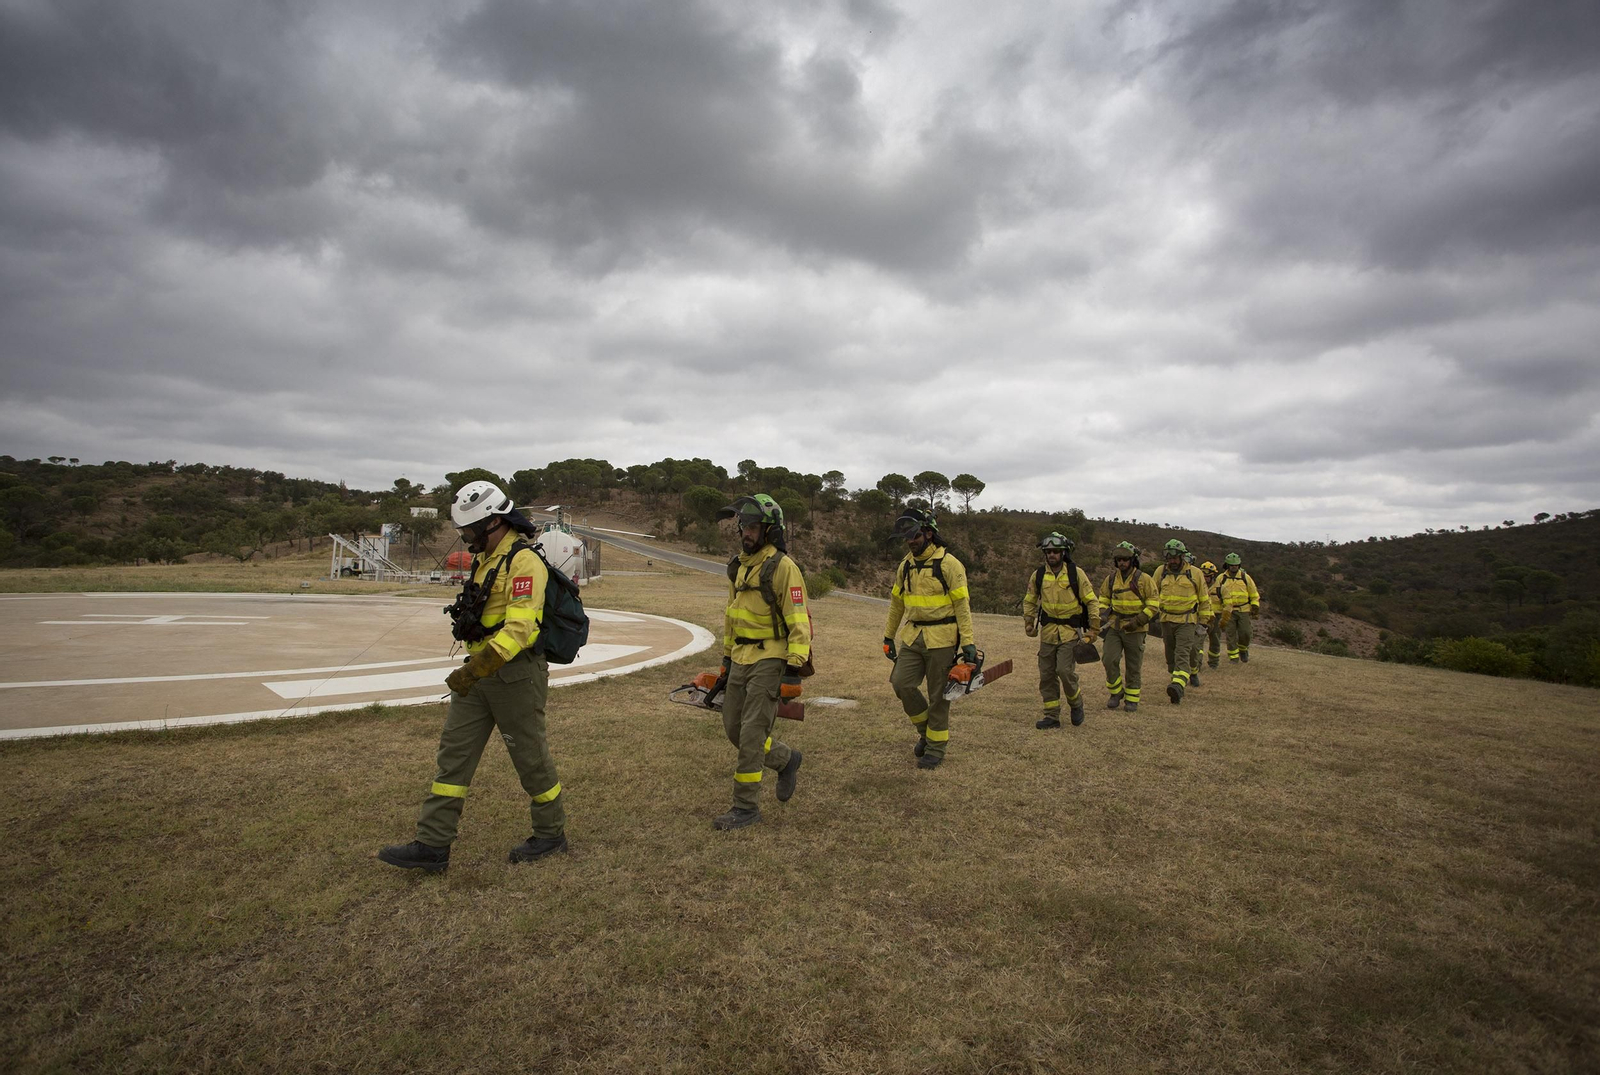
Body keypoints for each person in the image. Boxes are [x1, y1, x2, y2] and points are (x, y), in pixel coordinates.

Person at [380, 480, 567, 872]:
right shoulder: (486, 558)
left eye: (469, 529)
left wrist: (475, 671)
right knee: (453, 756)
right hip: (478, 675)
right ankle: (433, 845)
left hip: (514, 676)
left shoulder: (524, 562)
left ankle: (551, 834)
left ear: (494, 521)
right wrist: (473, 670)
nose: (465, 537)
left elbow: (519, 628)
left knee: (530, 758)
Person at [708, 494, 809, 831]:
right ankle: (785, 759)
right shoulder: (739, 567)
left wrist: (793, 665)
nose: (745, 532)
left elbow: (798, 618)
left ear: (768, 530)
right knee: (733, 726)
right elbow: (730, 615)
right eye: (743, 526)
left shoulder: (783, 567)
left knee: (752, 732)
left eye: (752, 526)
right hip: (740, 656)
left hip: (771, 657)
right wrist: (725, 656)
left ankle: (745, 807)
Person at [883, 507, 975, 769]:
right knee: (901, 684)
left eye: (915, 536)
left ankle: (935, 748)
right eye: (907, 538)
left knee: (938, 696)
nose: (911, 542)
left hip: (942, 638)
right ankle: (926, 732)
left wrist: (968, 642)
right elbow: (896, 604)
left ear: (929, 533)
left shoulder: (950, 565)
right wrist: (888, 637)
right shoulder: (906, 565)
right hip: (913, 637)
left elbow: (962, 606)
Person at [1022, 532, 1100, 728]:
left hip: (1069, 632)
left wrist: (1094, 627)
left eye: (1056, 551)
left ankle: (1076, 703)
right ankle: (1052, 716)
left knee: (1064, 671)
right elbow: (1030, 600)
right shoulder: (1038, 575)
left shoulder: (1076, 574)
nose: (1051, 555)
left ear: (1064, 553)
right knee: (1046, 675)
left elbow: (1091, 600)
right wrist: (1029, 622)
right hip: (1048, 633)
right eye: (1048, 552)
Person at [1097, 541, 1160, 713]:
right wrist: (1103, 611)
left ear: (1133, 560)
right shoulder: (1110, 580)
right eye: (1119, 560)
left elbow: (1154, 604)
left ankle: (1132, 699)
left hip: (1136, 629)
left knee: (1133, 666)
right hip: (1115, 627)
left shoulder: (1145, 580)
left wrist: (1139, 620)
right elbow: (1103, 598)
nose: (1122, 563)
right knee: (1109, 659)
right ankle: (1116, 692)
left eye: (1125, 559)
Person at [1152, 538, 1212, 705]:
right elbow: (1151, 594)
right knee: (1170, 656)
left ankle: (1178, 686)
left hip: (1187, 621)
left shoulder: (1195, 573)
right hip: (1165, 620)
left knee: (1182, 653)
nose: (1172, 561)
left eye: (1175, 558)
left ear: (1182, 557)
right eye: (1169, 557)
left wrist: (1204, 622)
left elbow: (1204, 599)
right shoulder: (1160, 572)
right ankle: (1182, 676)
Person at [1216, 552, 1262, 663]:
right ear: (1227, 565)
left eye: (1236, 566)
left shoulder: (1245, 577)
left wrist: (1255, 605)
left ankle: (1243, 650)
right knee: (1230, 634)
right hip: (1228, 610)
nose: (1234, 568)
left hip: (1243, 610)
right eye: (1232, 566)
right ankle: (1233, 657)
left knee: (1245, 632)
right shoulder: (1221, 578)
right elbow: (1216, 594)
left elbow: (1254, 593)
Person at [1200, 561, 1224, 670]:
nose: (1205, 579)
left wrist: (1224, 620)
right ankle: (1196, 663)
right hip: (1202, 617)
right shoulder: (1198, 586)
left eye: (1207, 576)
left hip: (1216, 617)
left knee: (1215, 640)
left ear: (1212, 576)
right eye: (1203, 576)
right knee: (1198, 641)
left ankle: (1213, 663)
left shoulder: (1220, 588)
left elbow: (1228, 604)